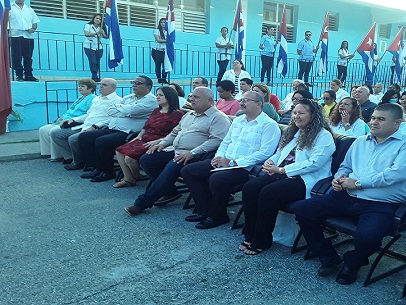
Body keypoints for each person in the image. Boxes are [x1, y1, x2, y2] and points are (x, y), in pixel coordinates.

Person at [294, 103, 406, 285]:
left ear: (397, 124)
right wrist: (339, 179)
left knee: (368, 236)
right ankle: (328, 256)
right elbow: (346, 167)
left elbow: (397, 174)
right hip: (347, 196)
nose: (374, 122)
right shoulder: (361, 141)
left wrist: (358, 183)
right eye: (373, 118)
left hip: (381, 203)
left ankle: (353, 262)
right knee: (302, 210)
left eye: (381, 119)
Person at [239, 99, 336, 255]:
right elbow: (281, 153)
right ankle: (250, 234)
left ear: (313, 115)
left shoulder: (323, 136)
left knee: (268, 193)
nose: (296, 116)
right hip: (282, 174)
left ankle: (262, 239)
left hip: (304, 179)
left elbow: (314, 163)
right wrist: (271, 162)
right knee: (250, 188)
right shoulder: (295, 132)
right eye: (295, 112)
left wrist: (281, 170)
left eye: (301, 113)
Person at [180, 91, 281, 229]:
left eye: (246, 100)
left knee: (217, 179)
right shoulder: (239, 120)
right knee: (189, 171)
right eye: (241, 100)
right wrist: (218, 157)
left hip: (247, 167)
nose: (241, 102)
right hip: (226, 161)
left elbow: (265, 153)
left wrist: (233, 162)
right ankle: (204, 210)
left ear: (259, 104)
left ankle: (218, 216)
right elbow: (226, 142)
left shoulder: (269, 125)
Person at [123, 87, 231, 216]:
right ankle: (170, 191)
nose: (191, 99)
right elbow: (175, 132)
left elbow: (216, 141)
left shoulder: (218, 118)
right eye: (191, 96)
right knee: (147, 159)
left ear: (209, 100)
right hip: (176, 150)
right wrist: (162, 144)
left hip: (197, 155)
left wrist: (192, 153)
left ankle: (141, 203)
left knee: (172, 166)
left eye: (196, 97)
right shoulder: (189, 114)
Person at [78, 75, 157, 182]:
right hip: (114, 127)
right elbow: (110, 110)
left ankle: (107, 172)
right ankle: (97, 168)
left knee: (102, 142)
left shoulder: (152, 100)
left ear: (148, 87)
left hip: (129, 132)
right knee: (85, 137)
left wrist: (123, 110)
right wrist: (125, 111)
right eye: (133, 82)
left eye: (138, 83)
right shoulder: (128, 97)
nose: (134, 85)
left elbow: (132, 111)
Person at [114, 86, 183, 188]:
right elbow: (146, 126)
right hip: (145, 138)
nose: (157, 97)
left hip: (158, 141)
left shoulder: (177, 114)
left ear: (169, 97)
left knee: (130, 158)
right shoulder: (156, 111)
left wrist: (160, 141)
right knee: (119, 151)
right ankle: (128, 178)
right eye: (157, 95)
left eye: (161, 95)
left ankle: (136, 176)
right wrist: (139, 136)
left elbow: (176, 133)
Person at [51, 78, 121, 170]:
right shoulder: (97, 99)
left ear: (113, 88)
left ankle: (80, 162)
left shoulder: (117, 101)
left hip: (99, 128)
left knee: (74, 139)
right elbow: (88, 115)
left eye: (104, 85)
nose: (101, 87)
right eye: (100, 84)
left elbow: (112, 119)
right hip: (85, 125)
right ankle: (72, 158)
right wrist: (73, 119)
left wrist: (95, 126)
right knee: (56, 133)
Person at [39, 79, 97, 161]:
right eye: (79, 86)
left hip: (75, 122)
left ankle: (58, 156)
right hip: (65, 120)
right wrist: (62, 117)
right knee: (43, 129)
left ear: (90, 88)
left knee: (54, 131)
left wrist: (73, 119)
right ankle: (49, 153)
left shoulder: (92, 98)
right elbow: (71, 110)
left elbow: (89, 113)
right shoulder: (80, 98)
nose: (80, 88)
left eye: (83, 86)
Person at [9, 0, 40, 81]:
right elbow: (5, 21)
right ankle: (19, 75)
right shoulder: (10, 8)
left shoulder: (29, 9)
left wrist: (33, 29)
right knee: (16, 56)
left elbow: (35, 22)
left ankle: (28, 75)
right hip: (15, 35)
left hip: (28, 36)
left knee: (28, 57)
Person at [83, 14, 108, 82]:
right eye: (97, 18)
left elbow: (105, 37)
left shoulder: (101, 27)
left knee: (97, 62)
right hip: (89, 46)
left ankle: (96, 75)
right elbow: (87, 34)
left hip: (98, 47)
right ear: (94, 19)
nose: (98, 20)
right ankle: (94, 75)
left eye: (100, 19)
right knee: (92, 61)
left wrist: (102, 33)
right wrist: (97, 33)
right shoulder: (88, 26)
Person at [151, 18, 168, 84]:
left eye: (164, 22)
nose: (163, 24)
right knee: (158, 65)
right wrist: (168, 41)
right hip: (157, 50)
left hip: (165, 51)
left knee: (165, 65)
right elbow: (158, 40)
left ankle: (164, 78)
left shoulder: (168, 31)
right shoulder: (157, 30)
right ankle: (159, 79)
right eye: (161, 22)